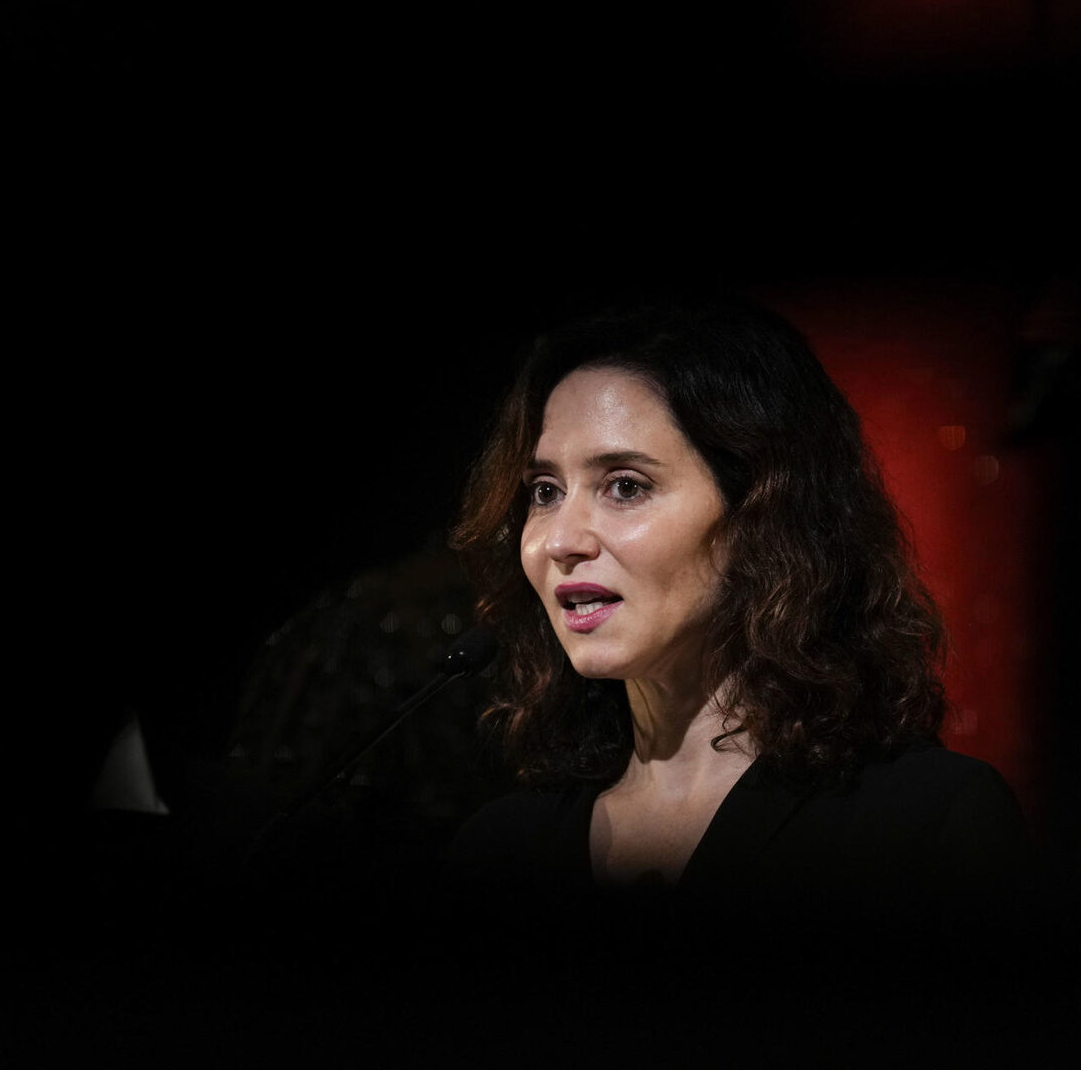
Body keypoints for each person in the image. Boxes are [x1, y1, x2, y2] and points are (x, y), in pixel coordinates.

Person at [440, 295, 1031, 966]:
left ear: (761, 514)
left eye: (625, 486)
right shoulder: (500, 852)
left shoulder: (924, 824)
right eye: (545, 491)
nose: (559, 540)